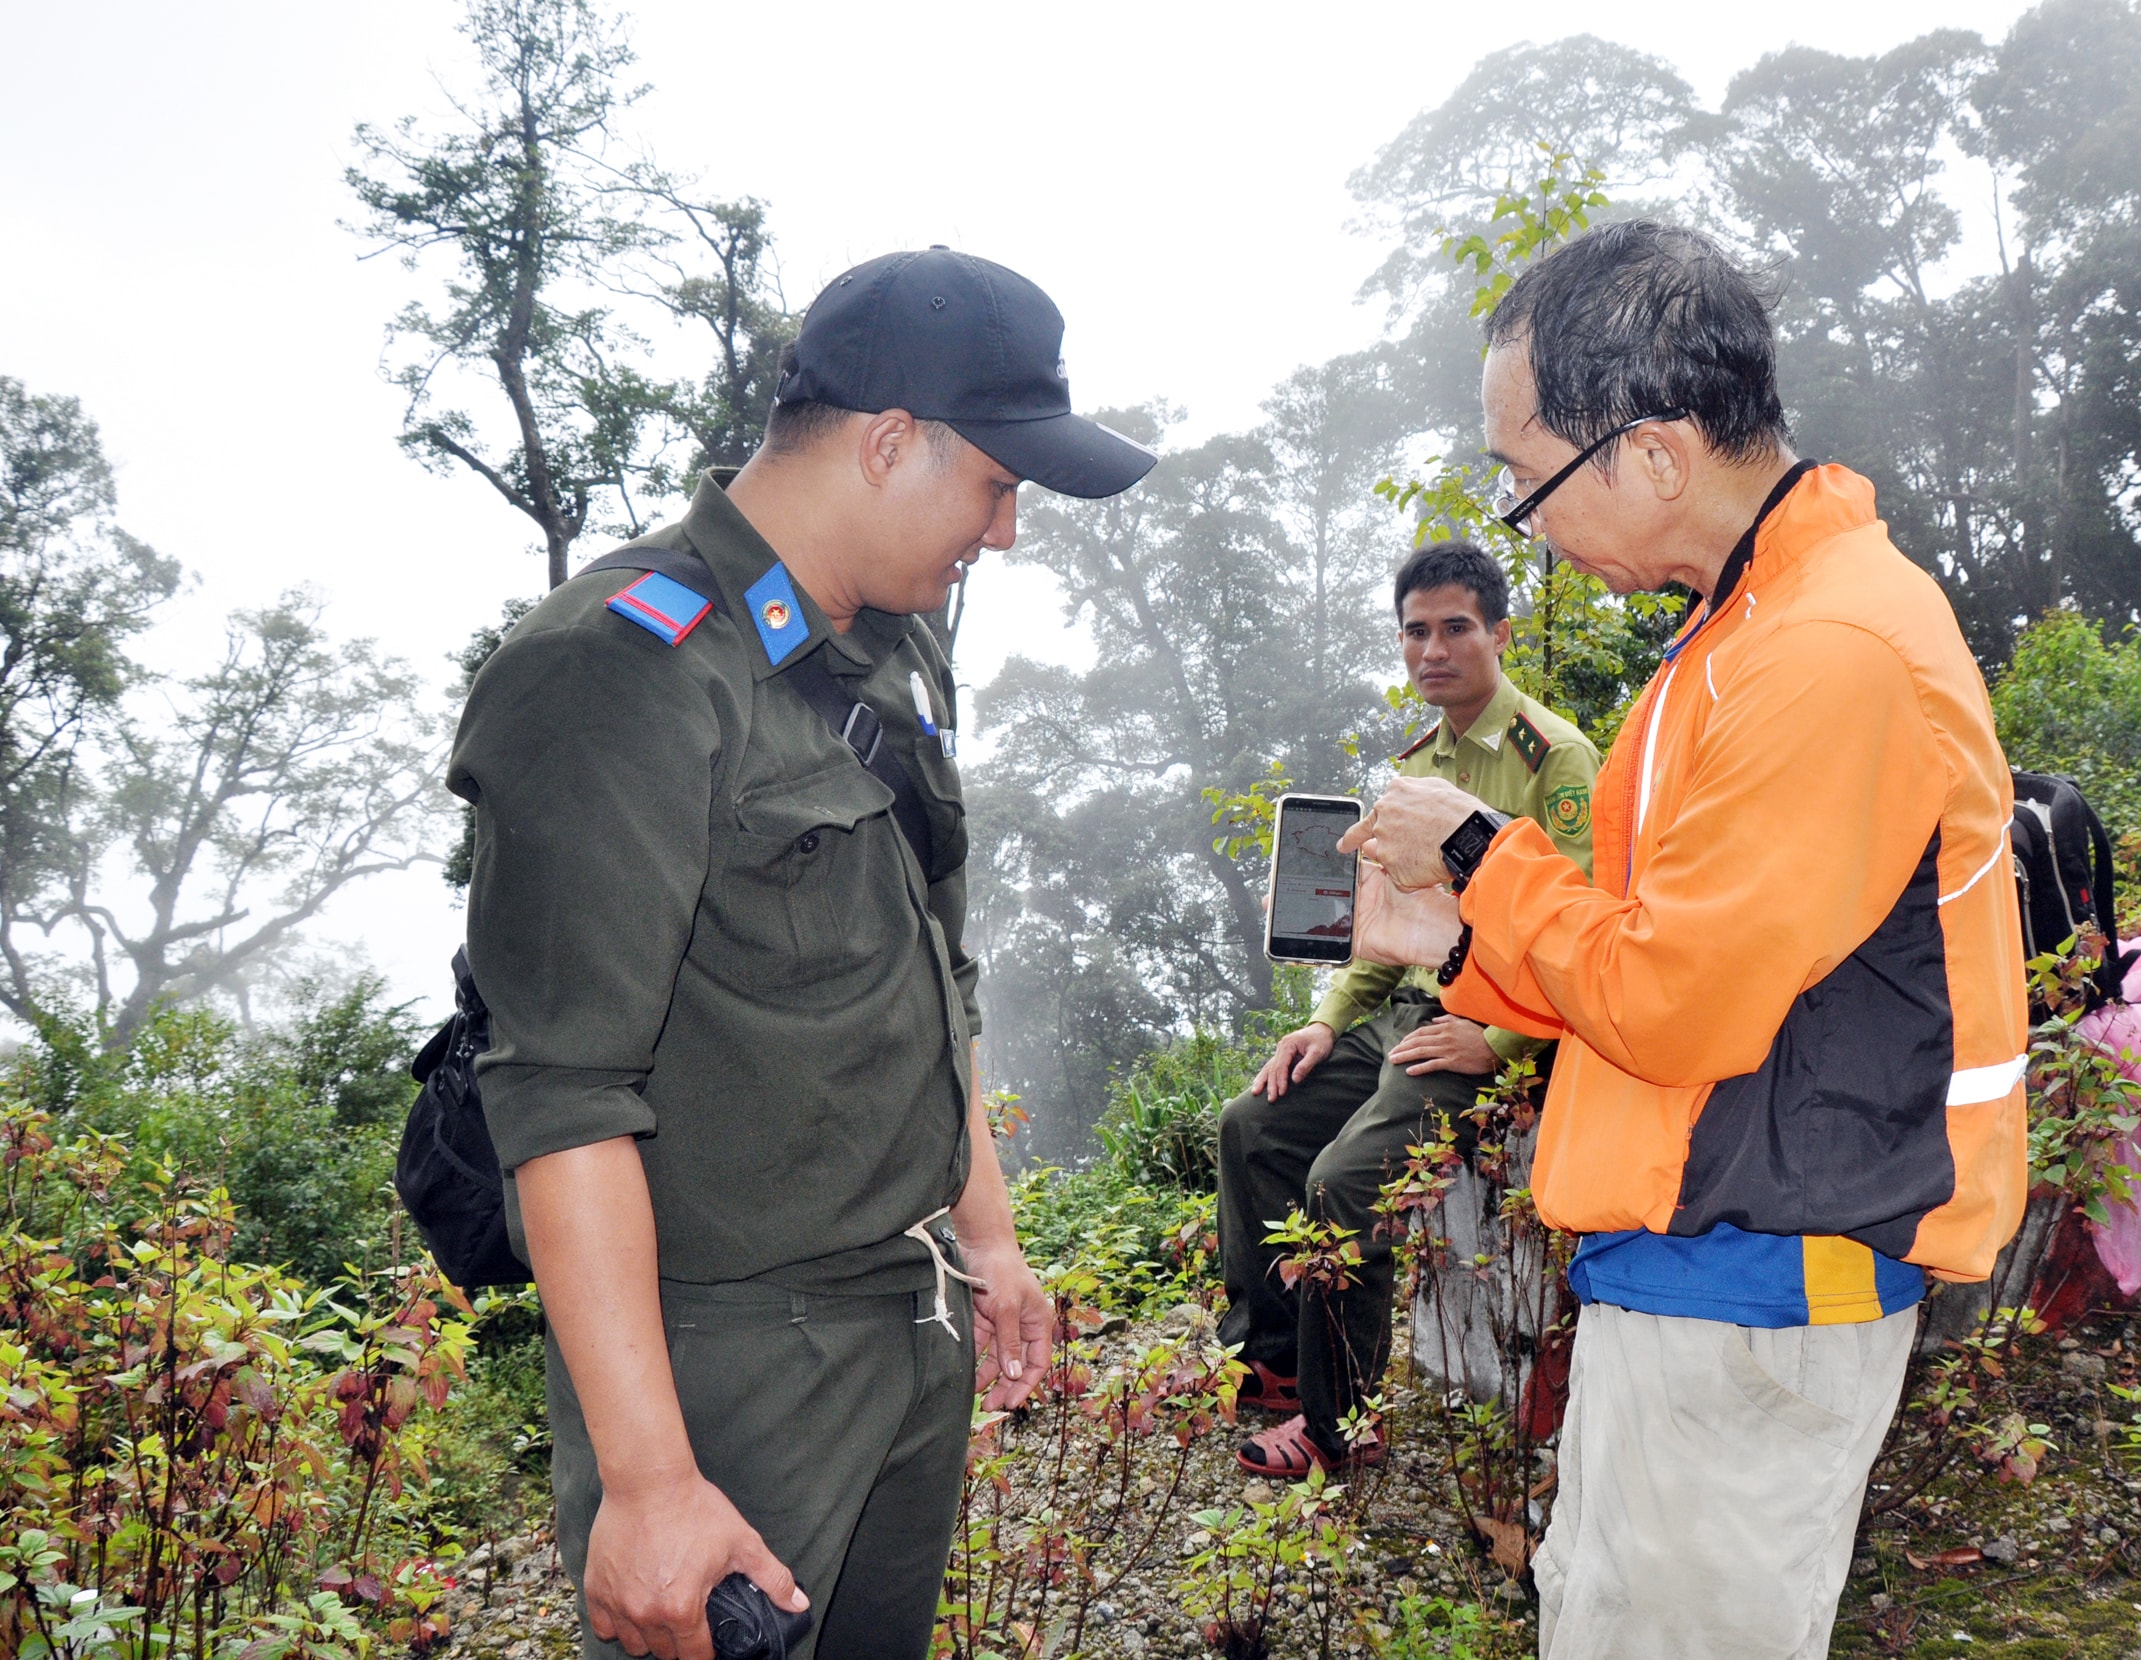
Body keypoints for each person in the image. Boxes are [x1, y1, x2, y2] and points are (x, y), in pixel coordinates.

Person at [448, 248, 1156, 1660]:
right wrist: (650, 1482)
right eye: (998, 486)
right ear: (890, 444)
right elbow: (560, 1094)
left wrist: (987, 1233)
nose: (1005, 532)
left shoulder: (895, 652)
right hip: (729, 1361)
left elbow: (925, 973)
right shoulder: (620, 665)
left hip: (907, 1318)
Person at [1345, 220, 2030, 1659]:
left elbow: (1675, 1001)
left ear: (1649, 454)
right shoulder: (1747, 631)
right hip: (1699, 1272)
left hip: (1758, 1287)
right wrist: (1464, 932)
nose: (1523, 516)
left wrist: (1479, 854)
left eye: (1528, 478)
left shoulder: (1823, 653)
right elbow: (1654, 951)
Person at [1219, 540, 1599, 1477]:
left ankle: (1338, 1422)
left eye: (1455, 628)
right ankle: (1273, 1366)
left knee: (1343, 1182)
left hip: (1501, 1026)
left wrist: (1500, 1040)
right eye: (1415, 632)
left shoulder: (1554, 760)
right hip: (1413, 1014)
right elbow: (1386, 929)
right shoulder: (1418, 765)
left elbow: (1581, 933)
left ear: (1499, 634)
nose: (1434, 648)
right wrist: (1325, 1021)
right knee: (1252, 1126)